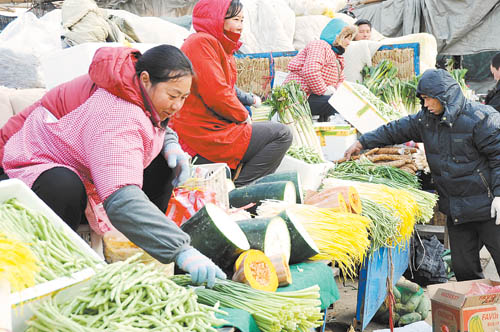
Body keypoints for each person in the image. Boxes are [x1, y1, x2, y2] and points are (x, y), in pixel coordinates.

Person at [0, 45, 226, 287]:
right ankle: (49, 269)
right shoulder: (116, 110)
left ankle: (140, 245)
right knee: (64, 186)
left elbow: (156, 124)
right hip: (23, 163)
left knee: (163, 162)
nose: (177, 106)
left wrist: (171, 145)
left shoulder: (132, 87)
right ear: (146, 79)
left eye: (183, 98)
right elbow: (120, 199)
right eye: (172, 96)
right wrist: (181, 250)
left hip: (75, 158)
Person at [344, 68, 500, 282]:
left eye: (428, 99)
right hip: (457, 211)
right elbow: (395, 129)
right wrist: (363, 142)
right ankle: (479, 313)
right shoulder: (426, 120)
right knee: (465, 273)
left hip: (490, 209)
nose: (425, 104)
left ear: (444, 96)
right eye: (423, 99)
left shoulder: (481, 119)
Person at [169, 0, 292, 187]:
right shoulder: (201, 42)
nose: (240, 26)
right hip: (203, 132)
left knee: (266, 131)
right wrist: (243, 116)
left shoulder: (218, 45)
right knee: (282, 134)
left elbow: (226, 89)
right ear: (216, 19)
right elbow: (217, 94)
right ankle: (241, 192)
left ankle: (236, 183)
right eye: (235, 19)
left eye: (242, 20)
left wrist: (245, 108)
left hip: (211, 126)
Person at [283, 19, 356, 122]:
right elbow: (310, 71)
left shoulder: (336, 56)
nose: (348, 43)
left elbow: (340, 79)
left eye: (350, 39)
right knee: (339, 104)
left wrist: (338, 91)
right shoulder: (319, 46)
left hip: (314, 96)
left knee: (344, 100)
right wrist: (324, 91)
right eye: (346, 38)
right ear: (336, 35)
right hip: (300, 97)